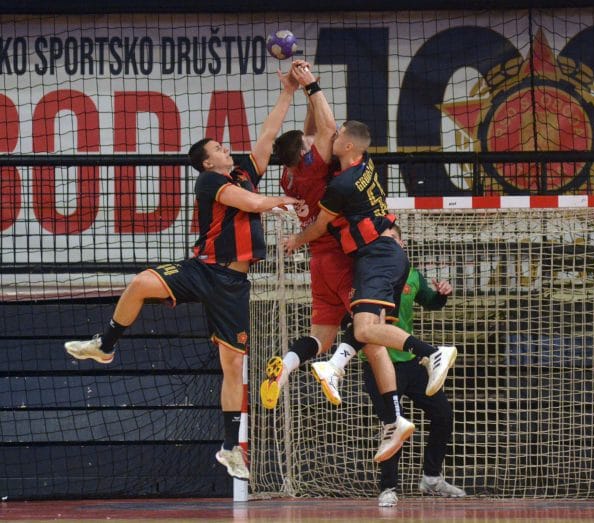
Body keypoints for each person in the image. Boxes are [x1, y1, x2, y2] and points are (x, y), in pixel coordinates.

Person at [63, 70, 302, 481]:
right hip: (202, 268)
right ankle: (106, 344)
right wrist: (280, 200)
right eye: (218, 147)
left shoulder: (245, 172)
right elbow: (248, 203)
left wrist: (288, 91)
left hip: (233, 284)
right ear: (208, 161)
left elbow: (268, 134)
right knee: (140, 282)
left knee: (233, 366)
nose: (226, 148)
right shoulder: (210, 181)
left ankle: (230, 448)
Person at [282, 104, 457, 462]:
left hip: (368, 255)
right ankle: (364, 391)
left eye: (339, 135)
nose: (331, 137)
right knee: (364, 331)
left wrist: (295, 240)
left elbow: (317, 136)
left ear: (347, 145)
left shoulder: (325, 180)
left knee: (365, 332)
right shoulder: (357, 165)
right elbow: (320, 132)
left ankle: (427, 357)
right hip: (370, 256)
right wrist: (309, 90)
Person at [258, 60, 358, 411]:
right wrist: (312, 84)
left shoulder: (289, 175)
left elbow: (312, 131)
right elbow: (328, 128)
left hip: (319, 262)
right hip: (341, 255)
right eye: (308, 144)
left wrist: (303, 93)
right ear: (305, 153)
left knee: (321, 337)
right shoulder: (315, 167)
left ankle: (284, 368)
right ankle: (337, 370)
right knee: (371, 323)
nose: (312, 141)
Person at [368, 225, 466, 507]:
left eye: (393, 239)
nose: (388, 244)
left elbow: (431, 302)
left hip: (410, 362)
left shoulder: (411, 274)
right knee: (393, 424)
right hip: (378, 362)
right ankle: (388, 488)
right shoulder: (368, 275)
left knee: (443, 413)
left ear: (402, 243)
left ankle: (431, 477)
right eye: (383, 240)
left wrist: (442, 294)